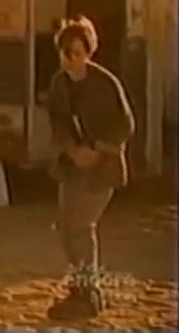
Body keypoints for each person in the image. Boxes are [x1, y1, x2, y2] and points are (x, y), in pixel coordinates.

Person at [46, 16, 135, 320]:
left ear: (88, 52)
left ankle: (89, 293)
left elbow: (125, 125)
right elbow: (57, 121)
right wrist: (73, 150)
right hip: (73, 166)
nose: (71, 59)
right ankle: (81, 288)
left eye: (77, 52)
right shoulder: (59, 83)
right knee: (65, 228)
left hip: (102, 168)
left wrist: (98, 148)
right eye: (66, 53)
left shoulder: (105, 83)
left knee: (81, 227)